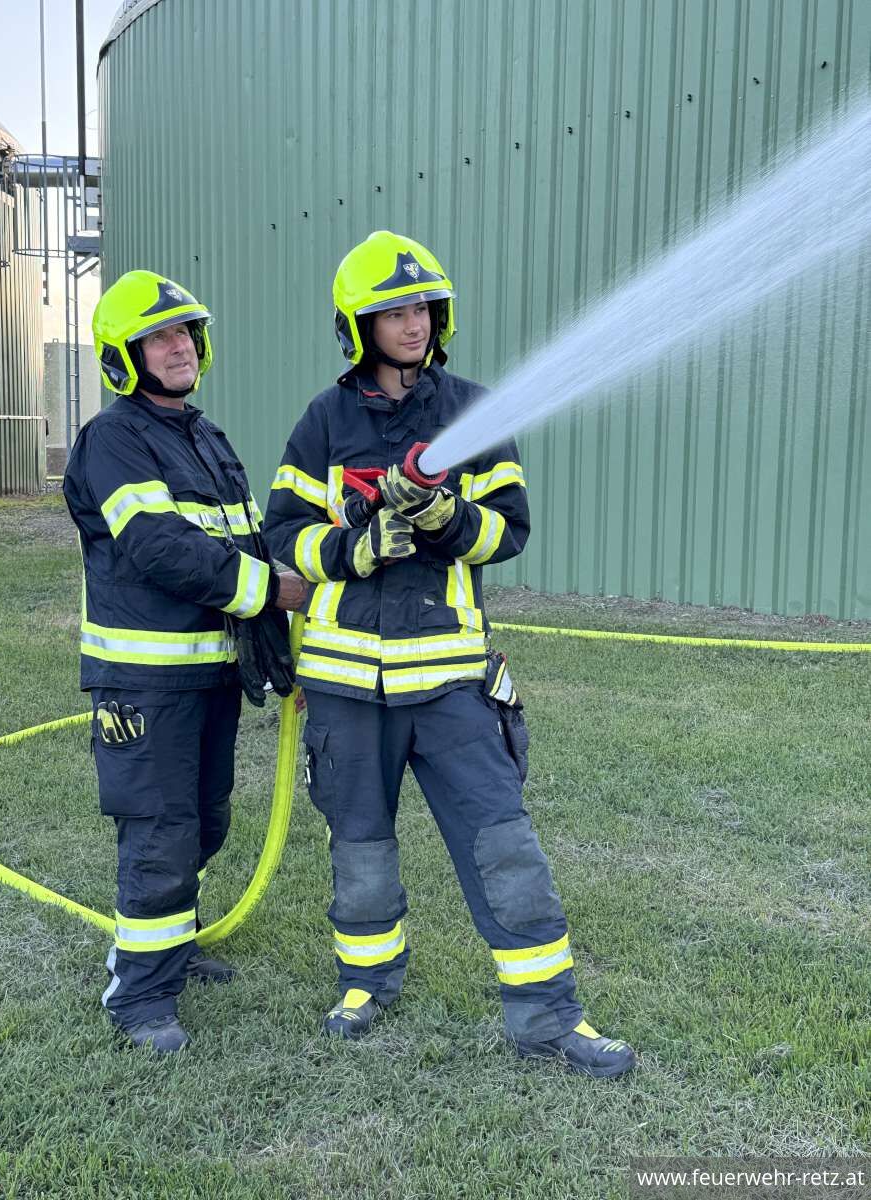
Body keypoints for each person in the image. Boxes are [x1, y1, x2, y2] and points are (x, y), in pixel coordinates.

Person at [263, 231, 636, 1078]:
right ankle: (368, 981)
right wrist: (354, 548)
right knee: (359, 846)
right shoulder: (323, 422)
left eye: (423, 306)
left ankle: (546, 1017)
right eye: (392, 311)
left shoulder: (475, 410)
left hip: (452, 688)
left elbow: (511, 529)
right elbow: (282, 529)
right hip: (347, 688)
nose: (412, 323)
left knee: (504, 846)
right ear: (357, 326)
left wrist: (444, 523)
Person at [63, 270, 306, 1053]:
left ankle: (174, 940)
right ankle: (138, 996)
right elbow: (160, 548)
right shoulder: (115, 439)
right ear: (123, 358)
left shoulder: (203, 435)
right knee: (160, 831)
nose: (178, 347)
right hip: (145, 683)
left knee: (206, 819)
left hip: (209, 675)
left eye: (185, 333)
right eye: (159, 338)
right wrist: (271, 588)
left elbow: (242, 539)